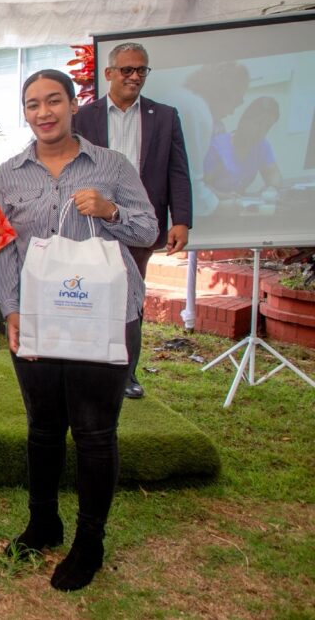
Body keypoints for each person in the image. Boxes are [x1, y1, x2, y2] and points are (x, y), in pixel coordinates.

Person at [0, 70, 158, 591]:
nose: (44, 112)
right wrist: (12, 310)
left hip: (104, 316)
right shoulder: (10, 174)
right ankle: (43, 523)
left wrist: (110, 209)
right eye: (33, 104)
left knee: (94, 432)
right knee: (42, 427)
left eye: (53, 101)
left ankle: (90, 542)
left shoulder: (111, 165)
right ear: (25, 112)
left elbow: (148, 228)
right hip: (36, 320)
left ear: (72, 104)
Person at [72, 42, 192, 400]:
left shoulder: (165, 116)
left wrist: (181, 220)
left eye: (142, 70)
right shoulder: (83, 118)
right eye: (127, 70)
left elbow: (177, 170)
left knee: (130, 298)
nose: (135, 76)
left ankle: (126, 374)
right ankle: (88, 364)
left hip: (140, 223)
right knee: (90, 292)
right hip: (92, 223)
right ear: (109, 73)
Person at [203, 96, 282, 197]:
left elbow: (273, 173)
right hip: (215, 207)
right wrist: (223, 196)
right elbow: (203, 187)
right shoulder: (217, 146)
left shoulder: (262, 146)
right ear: (245, 120)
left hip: (239, 207)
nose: (261, 132)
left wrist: (272, 188)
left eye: (267, 127)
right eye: (258, 124)